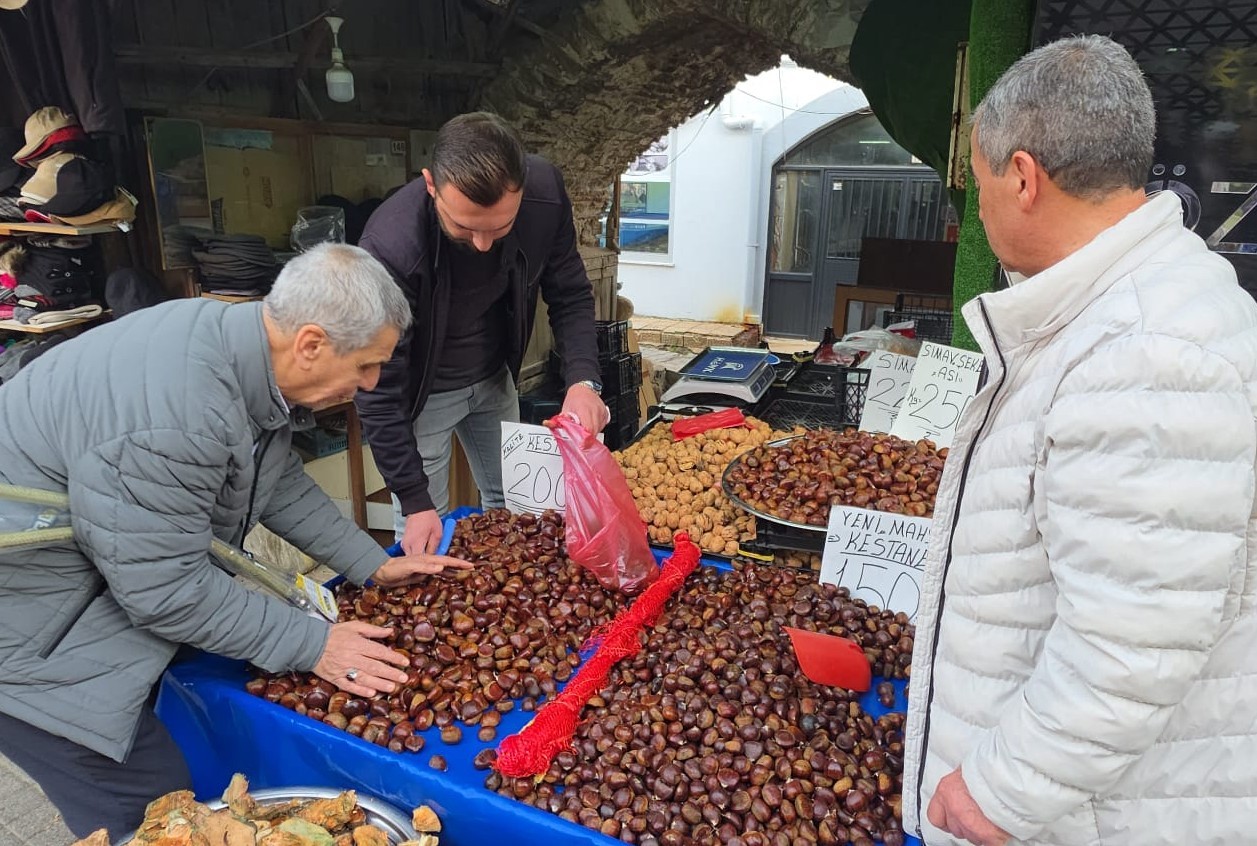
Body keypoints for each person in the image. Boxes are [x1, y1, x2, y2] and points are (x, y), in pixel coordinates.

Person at [902, 34, 1257, 845]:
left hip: (1101, 815)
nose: (976, 205)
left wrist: (1001, 788)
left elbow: (1132, 641)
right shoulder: (1136, 310)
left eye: (978, 181)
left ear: (1022, 178)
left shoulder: (1144, 349)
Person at [0, 243, 469, 839]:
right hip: (32, 638)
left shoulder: (231, 347)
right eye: (366, 366)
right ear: (311, 344)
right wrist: (315, 646)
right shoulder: (178, 416)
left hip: (84, 592)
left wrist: (371, 565)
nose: (372, 385)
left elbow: (273, 483)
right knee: (153, 807)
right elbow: (164, 588)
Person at [355, 111, 605, 556]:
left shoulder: (546, 197)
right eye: (464, 227)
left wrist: (583, 382)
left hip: (494, 376)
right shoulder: (390, 246)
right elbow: (376, 384)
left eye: (500, 227)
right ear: (431, 184)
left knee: (519, 513)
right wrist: (413, 500)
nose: (483, 244)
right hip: (422, 394)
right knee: (424, 532)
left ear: (523, 189)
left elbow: (570, 295)